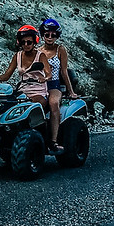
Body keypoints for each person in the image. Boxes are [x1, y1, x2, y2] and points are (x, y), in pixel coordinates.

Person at [0, 25, 63, 155]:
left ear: (34, 41)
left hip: (38, 90)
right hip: (22, 91)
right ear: (19, 42)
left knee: (34, 105)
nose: (26, 44)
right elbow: (6, 75)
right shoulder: (17, 56)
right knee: (6, 107)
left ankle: (50, 140)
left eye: (29, 42)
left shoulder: (40, 55)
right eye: (23, 42)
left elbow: (48, 72)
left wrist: (45, 78)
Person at [39, 18, 78, 153]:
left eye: (53, 35)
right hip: (40, 85)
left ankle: (53, 141)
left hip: (54, 85)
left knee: (54, 103)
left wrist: (70, 91)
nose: (50, 37)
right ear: (42, 34)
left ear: (57, 36)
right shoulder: (38, 51)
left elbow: (64, 71)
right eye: (47, 34)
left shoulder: (60, 49)